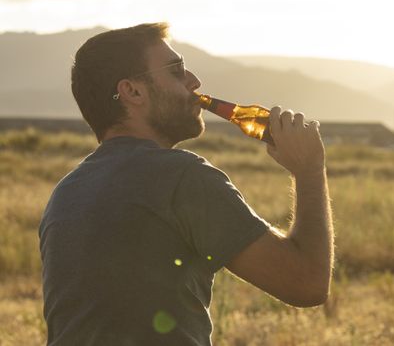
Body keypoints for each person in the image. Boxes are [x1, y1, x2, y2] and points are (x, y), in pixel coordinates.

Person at [39, 22, 334, 346]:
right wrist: (309, 170)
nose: (194, 82)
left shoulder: (67, 191)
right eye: (177, 71)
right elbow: (306, 284)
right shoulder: (181, 177)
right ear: (133, 91)